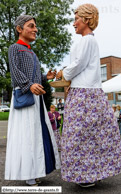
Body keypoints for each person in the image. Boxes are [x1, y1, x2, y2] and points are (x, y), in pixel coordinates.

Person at [56, 4, 121, 188]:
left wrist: (63, 73)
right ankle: (92, 172)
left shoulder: (87, 40)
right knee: (91, 135)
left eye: (76, 18)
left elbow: (78, 64)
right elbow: (79, 66)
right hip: (86, 91)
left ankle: (87, 174)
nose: (73, 23)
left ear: (86, 19)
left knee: (79, 136)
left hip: (85, 94)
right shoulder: (87, 41)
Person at [5, 15, 60, 186]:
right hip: (24, 97)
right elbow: (15, 73)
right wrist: (29, 85)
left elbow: (33, 76)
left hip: (36, 100)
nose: (35, 29)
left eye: (35, 26)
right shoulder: (14, 48)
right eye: (31, 26)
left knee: (37, 136)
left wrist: (45, 77)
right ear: (19, 29)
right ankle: (28, 173)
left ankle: (36, 171)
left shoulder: (31, 52)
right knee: (27, 136)